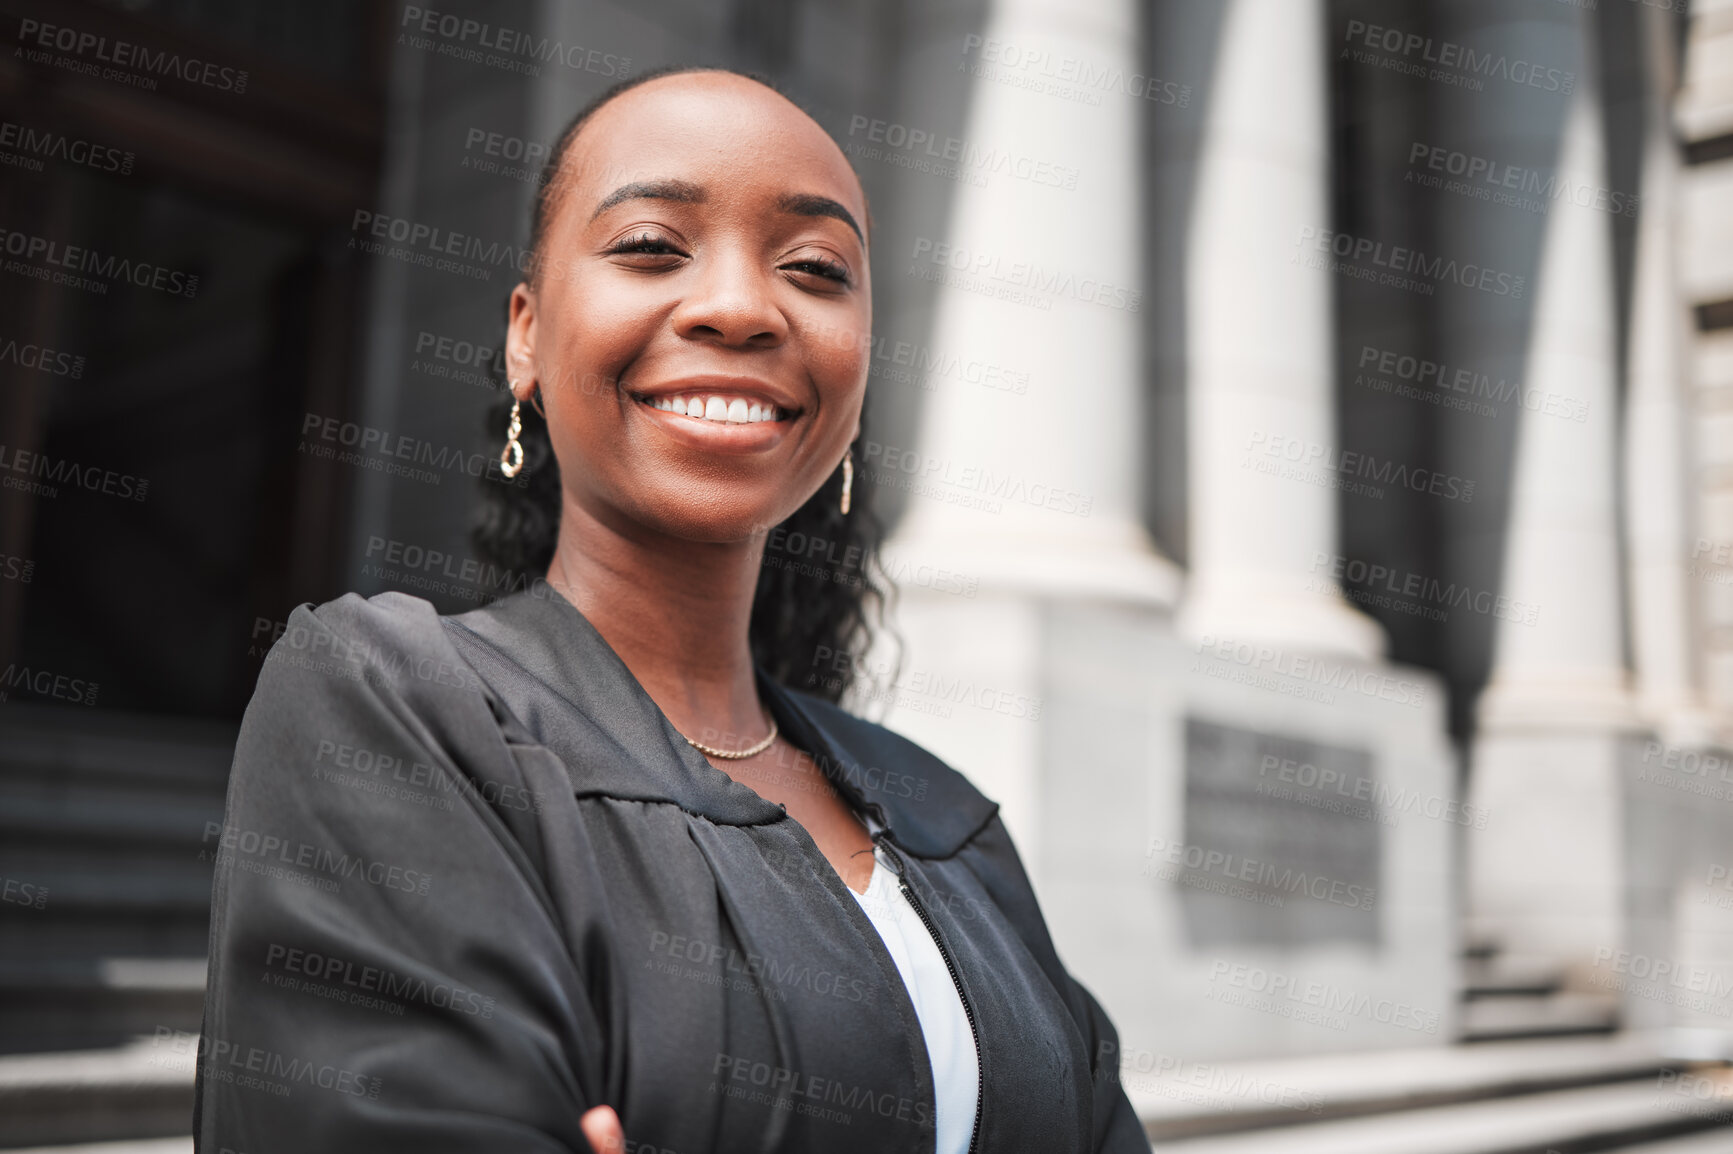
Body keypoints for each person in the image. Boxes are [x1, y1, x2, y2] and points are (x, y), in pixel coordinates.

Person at [194, 66, 1147, 1153]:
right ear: (525, 335)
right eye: (651, 246)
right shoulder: (398, 704)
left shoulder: (945, 819)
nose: (740, 306)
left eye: (815, 267)